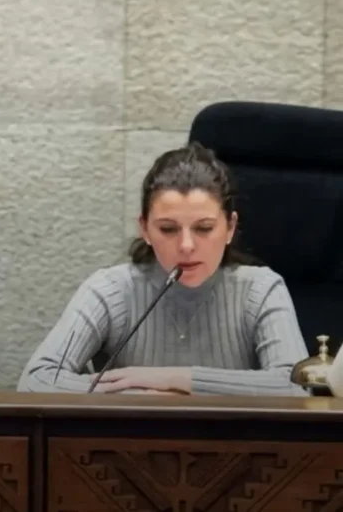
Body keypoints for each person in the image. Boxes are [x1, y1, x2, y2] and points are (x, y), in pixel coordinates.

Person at [17, 142, 308, 396]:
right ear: (144, 228)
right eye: (168, 229)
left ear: (230, 227)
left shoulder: (261, 290)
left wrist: (177, 379)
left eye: (204, 228)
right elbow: (35, 381)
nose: (186, 245)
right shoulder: (110, 290)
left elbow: (297, 386)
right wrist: (140, 395)